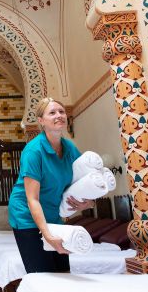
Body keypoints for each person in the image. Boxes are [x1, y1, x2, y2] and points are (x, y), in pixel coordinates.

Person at [8, 97, 94, 273]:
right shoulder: (33, 151)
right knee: (42, 274)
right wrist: (46, 235)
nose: (59, 115)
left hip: (53, 214)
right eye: (52, 112)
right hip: (27, 216)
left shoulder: (70, 148)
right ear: (41, 121)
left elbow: (85, 183)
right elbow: (32, 199)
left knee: (63, 271)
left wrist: (89, 203)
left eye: (62, 112)